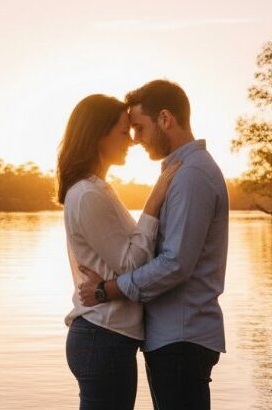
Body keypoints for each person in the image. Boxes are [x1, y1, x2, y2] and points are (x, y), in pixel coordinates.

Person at [78, 80, 229, 410]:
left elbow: (175, 263)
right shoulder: (181, 172)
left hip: (182, 338)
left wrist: (109, 289)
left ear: (165, 119)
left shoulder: (191, 176)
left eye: (139, 127)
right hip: (173, 338)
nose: (135, 139)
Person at [59, 93, 181, 410]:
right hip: (104, 335)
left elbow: (127, 258)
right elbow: (129, 263)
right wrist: (154, 201)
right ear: (98, 136)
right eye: (123, 132)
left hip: (107, 336)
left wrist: (108, 283)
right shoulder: (87, 194)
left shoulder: (97, 189)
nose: (131, 141)